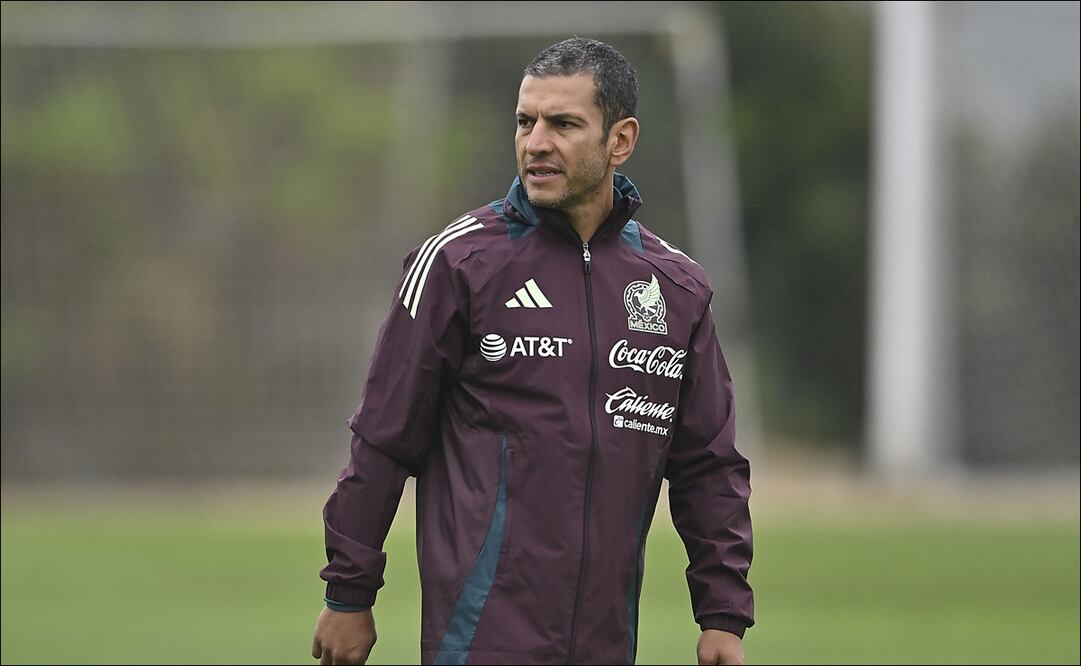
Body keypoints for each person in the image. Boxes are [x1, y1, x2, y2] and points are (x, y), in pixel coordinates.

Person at [311, 37, 754, 666]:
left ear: (620, 140)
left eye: (564, 124)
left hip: (605, 648)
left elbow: (708, 466)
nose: (536, 142)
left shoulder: (676, 288)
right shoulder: (457, 264)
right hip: (481, 643)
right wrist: (350, 593)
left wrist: (723, 614)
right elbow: (382, 439)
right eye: (526, 121)